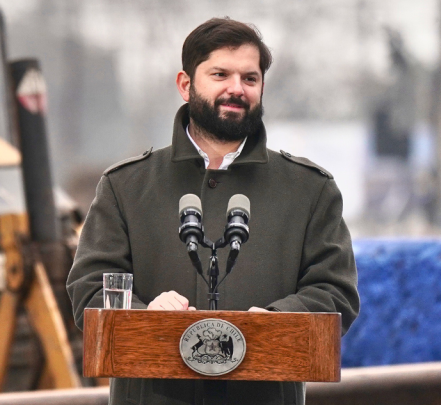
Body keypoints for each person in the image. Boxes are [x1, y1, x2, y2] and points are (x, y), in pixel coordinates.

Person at [67, 17, 360, 405]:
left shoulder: (310, 189)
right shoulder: (126, 185)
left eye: (249, 78)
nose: (236, 89)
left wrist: (271, 323)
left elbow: (335, 291)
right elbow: (90, 288)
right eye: (220, 74)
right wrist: (146, 314)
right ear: (186, 85)